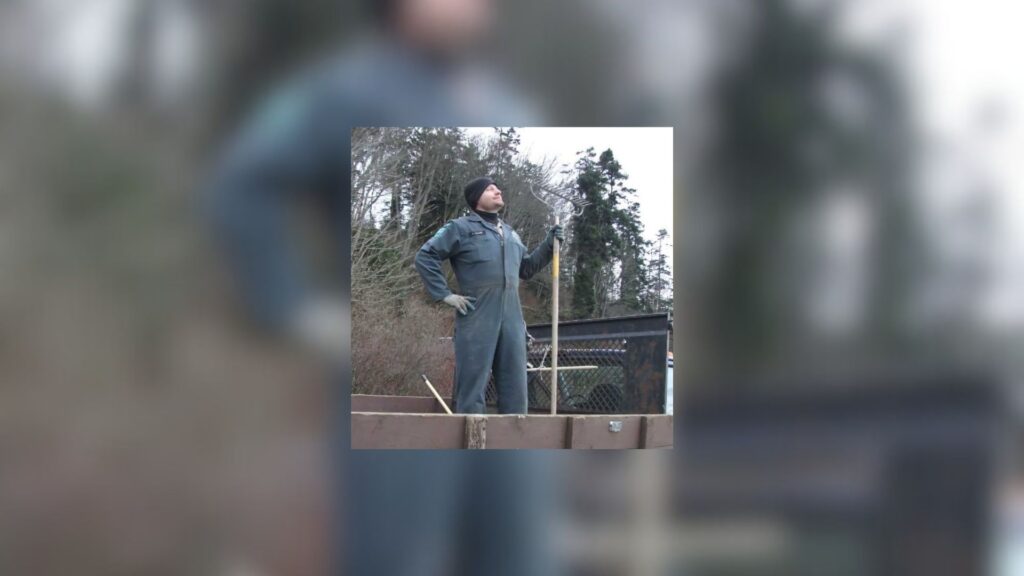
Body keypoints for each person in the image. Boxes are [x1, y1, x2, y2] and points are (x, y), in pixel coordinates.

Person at [415, 177, 563, 414]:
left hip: (512, 317)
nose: (498, 191)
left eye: (497, 188)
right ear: (476, 198)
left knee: (516, 386)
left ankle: (512, 444)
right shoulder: (460, 228)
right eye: (490, 189)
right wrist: (444, 294)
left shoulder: (511, 234)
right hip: (477, 315)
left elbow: (526, 268)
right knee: (472, 384)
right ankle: (470, 445)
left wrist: (549, 244)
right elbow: (425, 256)